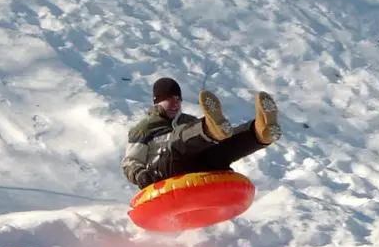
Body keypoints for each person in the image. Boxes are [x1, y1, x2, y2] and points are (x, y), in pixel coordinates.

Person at [121, 77, 282, 188]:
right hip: (162, 175)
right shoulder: (143, 128)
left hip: (193, 171)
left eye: (178, 99)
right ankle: (209, 129)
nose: (175, 103)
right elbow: (130, 161)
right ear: (157, 101)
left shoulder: (187, 120)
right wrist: (140, 174)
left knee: (220, 146)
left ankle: (260, 132)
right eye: (169, 99)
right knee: (177, 141)